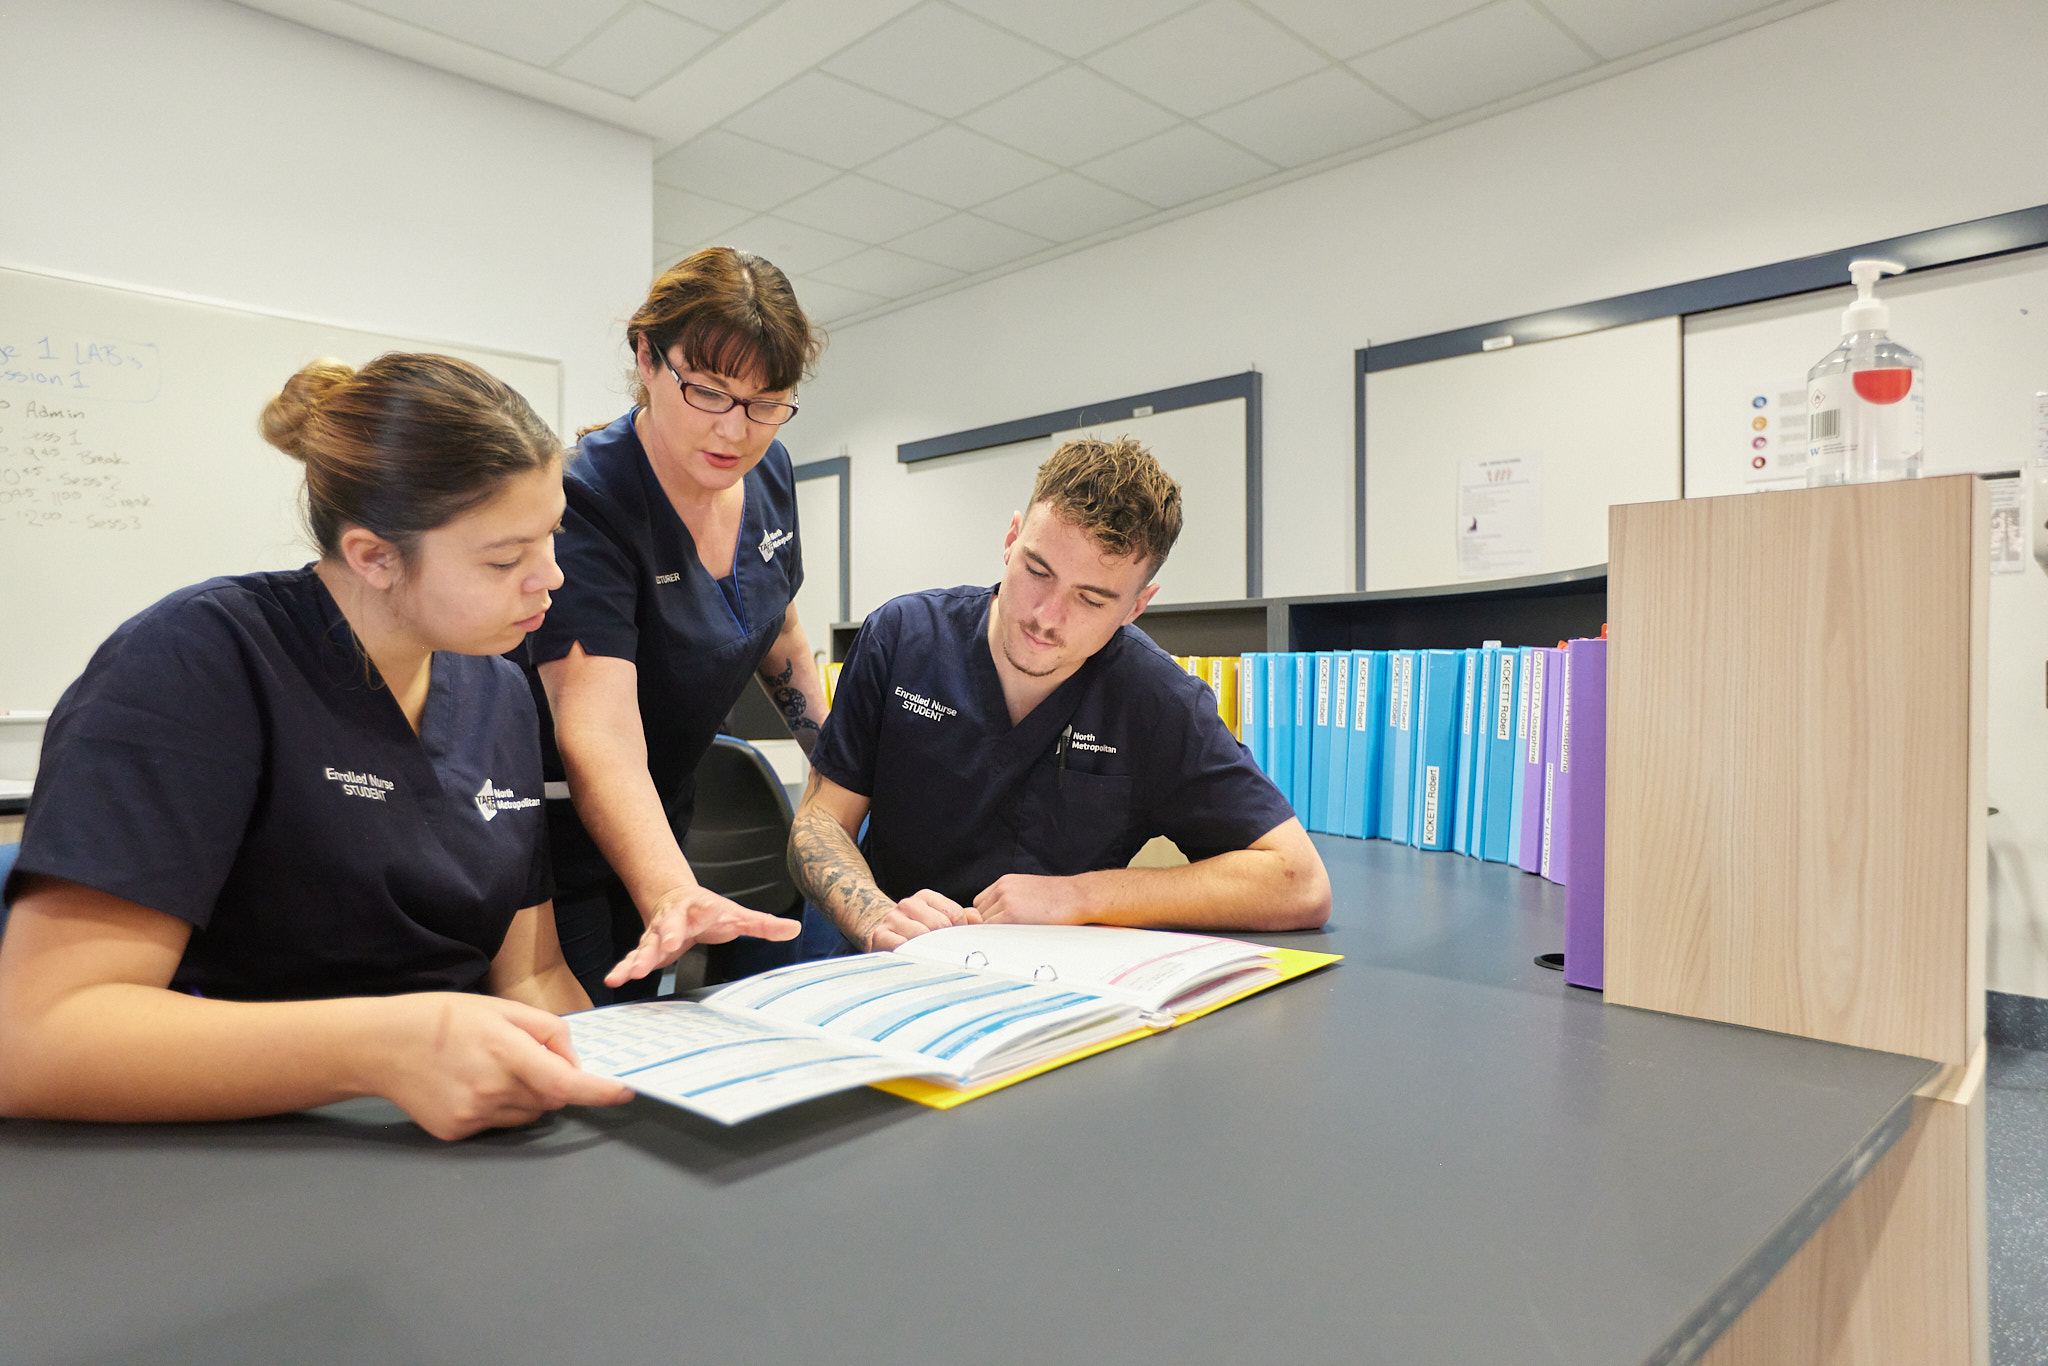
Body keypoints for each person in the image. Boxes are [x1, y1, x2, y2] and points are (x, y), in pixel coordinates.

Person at [0, 355, 634, 1141]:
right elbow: (35, 1039)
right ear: (373, 556)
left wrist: (617, 1086)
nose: (550, 579)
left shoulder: (498, 690)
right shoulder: (199, 660)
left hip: (451, 1134)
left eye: (551, 537)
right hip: (228, 1145)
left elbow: (532, 974)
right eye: (505, 559)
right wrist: (383, 1049)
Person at [611, 437, 1330, 981]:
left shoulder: (1155, 699)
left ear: (1139, 606)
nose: (1046, 617)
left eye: (1092, 599)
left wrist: (1078, 897)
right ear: (1012, 537)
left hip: (1042, 989)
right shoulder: (904, 638)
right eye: (1037, 571)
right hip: (883, 965)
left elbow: (1298, 881)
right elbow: (819, 825)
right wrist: (876, 916)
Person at [528, 247, 835, 1004]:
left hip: (664, 812)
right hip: (551, 838)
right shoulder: (587, 501)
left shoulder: (768, 472)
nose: (737, 431)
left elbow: (780, 629)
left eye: (768, 401)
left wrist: (848, 770)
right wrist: (670, 892)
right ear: (646, 357)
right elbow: (596, 729)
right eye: (710, 392)